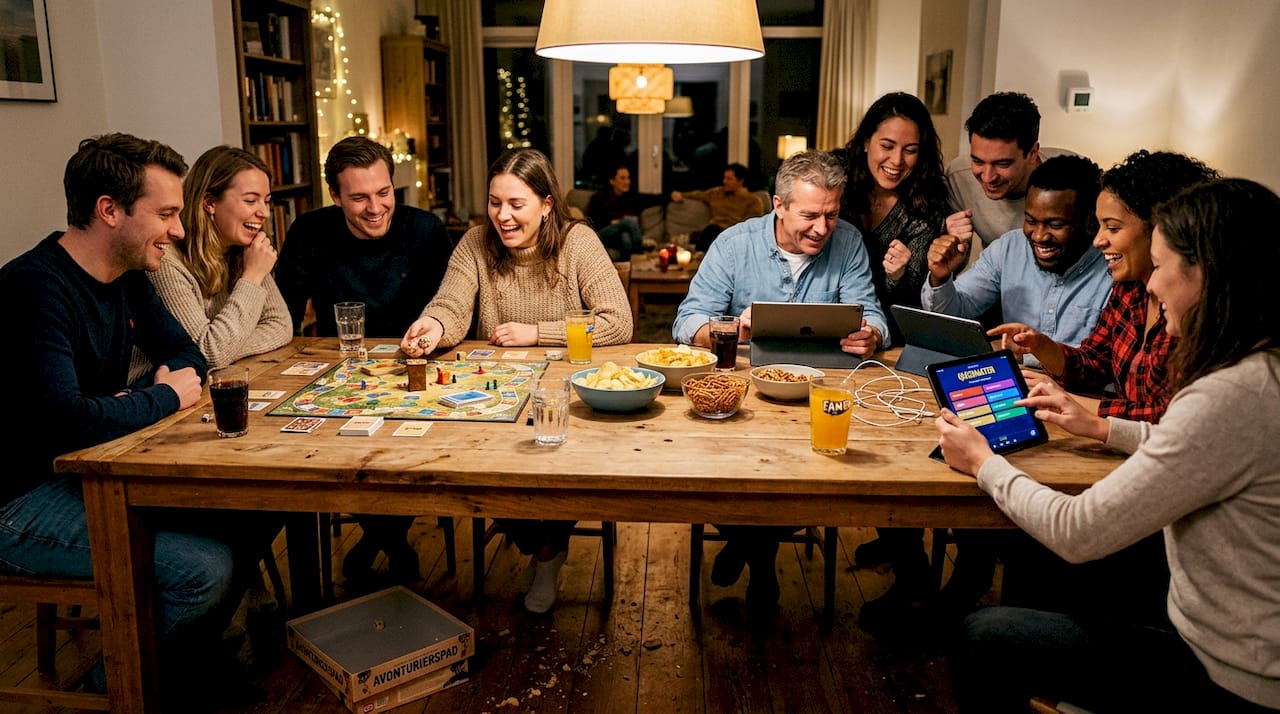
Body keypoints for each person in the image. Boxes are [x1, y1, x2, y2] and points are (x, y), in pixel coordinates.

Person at [941, 178, 1280, 713]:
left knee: (985, 635)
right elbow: (1187, 446)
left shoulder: (1231, 393)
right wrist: (1103, 428)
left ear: (1206, 275)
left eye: (1163, 265)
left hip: (1229, 675)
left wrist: (984, 462)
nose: (1154, 285)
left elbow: (1076, 532)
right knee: (1039, 560)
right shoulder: (1261, 368)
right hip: (1222, 635)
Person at [0, 133, 248, 702]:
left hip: (88, 470)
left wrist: (120, 405)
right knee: (203, 569)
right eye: (165, 214)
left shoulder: (130, 276)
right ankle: (112, 691)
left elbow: (188, 357)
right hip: (19, 500)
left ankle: (183, 665)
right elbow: (70, 421)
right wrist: (157, 398)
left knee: (243, 516)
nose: (180, 231)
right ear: (108, 211)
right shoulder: (35, 287)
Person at [959, 151, 1219, 626]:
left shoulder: (1202, 321)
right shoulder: (1129, 288)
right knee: (1026, 543)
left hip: (1161, 496)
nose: (1099, 240)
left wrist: (1091, 417)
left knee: (1036, 544)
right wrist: (1044, 347)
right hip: (1124, 457)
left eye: (1112, 228)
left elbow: (1174, 421)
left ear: (1162, 228)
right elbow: (1094, 361)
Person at [399, 148, 632, 613]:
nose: (502, 216)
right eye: (494, 202)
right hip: (498, 394)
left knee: (559, 457)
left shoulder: (578, 242)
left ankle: (547, 554)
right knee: (483, 462)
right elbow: (451, 302)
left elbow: (618, 322)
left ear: (547, 204)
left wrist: (537, 334)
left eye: (516, 204)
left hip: (566, 394)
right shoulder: (474, 244)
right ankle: (543, 547)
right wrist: (433, 327)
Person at [672, 149, 888, 613]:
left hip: (823, 393)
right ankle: (760, 557)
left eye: (831, 215)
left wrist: (872, 334)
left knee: (820, 479)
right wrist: (732, 330)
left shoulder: (847, 241)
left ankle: (748, 549)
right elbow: (686, 322)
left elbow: (870, 312)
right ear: (778, 205)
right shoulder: (733, 244)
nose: (822, 228)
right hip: (747, 394)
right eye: (810, 215)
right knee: (721, 474)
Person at [276, 136, 455, 590]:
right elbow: (282, 320)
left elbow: (451, 309)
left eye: (383, 193)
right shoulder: (309, 232)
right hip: (339, 373)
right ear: (335, 196)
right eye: (359, 197)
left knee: (419, 454)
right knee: (328, 455)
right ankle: (392, 540)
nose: (376, 208)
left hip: (418, 370)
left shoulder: (426, 230)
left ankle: (379, 539)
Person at [834, 93, 953, 626]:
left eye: (910, 149)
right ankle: (890, 536)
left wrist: (904, 274)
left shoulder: (928, 204)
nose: (897, 160)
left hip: (897, 342)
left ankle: (915, 580)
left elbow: (925, 303)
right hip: (834, 334)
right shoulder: (838, 181)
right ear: (864, 142)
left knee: (888, 445)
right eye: (886, 145)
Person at [922, 154, 1112, 353]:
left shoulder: (1114, 269)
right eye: (1030, 221)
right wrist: (940, 278)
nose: (1038, 236)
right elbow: (949, 317)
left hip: (1074, 384)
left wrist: (1027, 355)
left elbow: (1105, 362)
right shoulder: (1008, 249)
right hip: (1011, 379)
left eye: (1055, 225)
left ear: (1091, 221)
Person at [146, 145, 293, 367]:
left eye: (266, 201)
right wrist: (252, 276)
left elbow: (281, 325)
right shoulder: (165, 261)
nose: (263, 212)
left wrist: (227, 347)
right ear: (210, 203)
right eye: (251, 201)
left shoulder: (243, 250)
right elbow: (206, 354)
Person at [944, 91, 1074, 249]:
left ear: (1032, 153)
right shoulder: (958, 177)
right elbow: (957, 254)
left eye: (1003, 164)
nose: (988, 177)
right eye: (978, 161)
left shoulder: (1076, 178)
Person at [670, 163, 765, 253]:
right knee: (709, 233)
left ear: (740, 181)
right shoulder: (717, 193)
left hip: (733, 234)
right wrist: (680, 195)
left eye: (729, 179)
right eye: (724, 178)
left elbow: (753, 226)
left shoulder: (753, 201)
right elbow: (698, 194)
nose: (724, 182)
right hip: (713, 230)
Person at [585, 164, 664, 260]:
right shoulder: (599, 198)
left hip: (621, 236)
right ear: (612, 181)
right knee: (629, 221)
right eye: (622, 178)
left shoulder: (632, 198)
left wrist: (671, 195)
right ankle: (640, 249)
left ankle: (630, 263)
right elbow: (591, 222)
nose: (627, 182)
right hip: (602, 234)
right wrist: (614, 222)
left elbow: (654, 198)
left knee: (625, 237)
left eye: (628, 178)